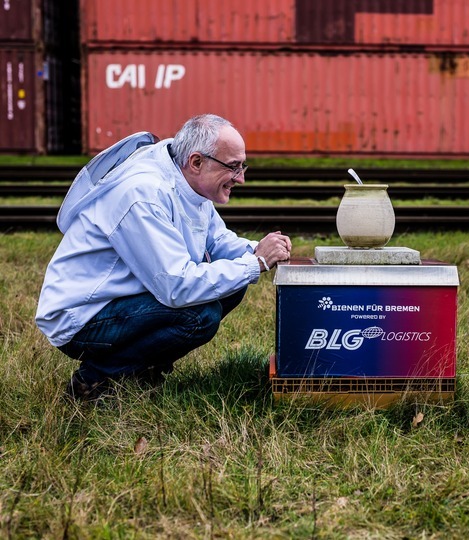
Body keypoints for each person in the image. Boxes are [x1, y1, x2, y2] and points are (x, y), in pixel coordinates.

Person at [36, 114, 292, 400]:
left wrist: (258, 251)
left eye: (242, 166)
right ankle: (95, 379)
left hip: (124, 298)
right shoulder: (143, 193)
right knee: (198, 315)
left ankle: (138, 370)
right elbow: (176, 287)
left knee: (232, 284)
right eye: (233, 167)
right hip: (82, 316)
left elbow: (217, 239)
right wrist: (255, 264)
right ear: (196, 162)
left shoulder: (185, 177)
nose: (241, 178)